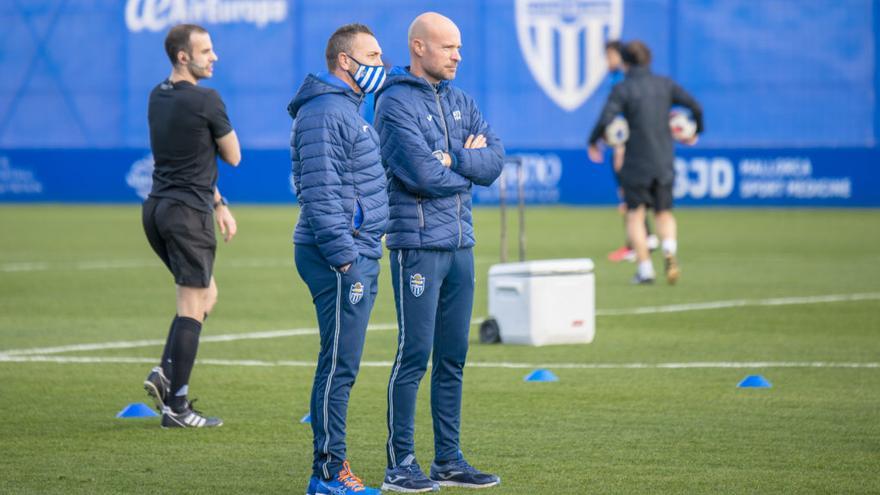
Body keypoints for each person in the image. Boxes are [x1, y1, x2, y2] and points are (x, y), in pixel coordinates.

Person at [374, 12, 504, 493]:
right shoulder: (393, 104)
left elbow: (495, 160)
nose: (457, 56)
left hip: (460, 245)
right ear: (418, 48)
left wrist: (457, 160)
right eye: (448, 47)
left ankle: (447, 460)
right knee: (415, 355)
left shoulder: (460, 99)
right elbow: (422, 175)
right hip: (417, 246)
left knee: (453, 356)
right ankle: (400, 464)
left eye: (460, 47)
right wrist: (461, 166)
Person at [288, 23, 388, 495]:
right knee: (337, 364)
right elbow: (321, 192)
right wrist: (346, 258)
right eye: (372, 54)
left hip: (354, 250)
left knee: (341, 361)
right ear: (345, 62)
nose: (381, 64)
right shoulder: (326, 111)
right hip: (338, 255)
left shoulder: (346, 109)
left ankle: (329, 468)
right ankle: (327, 473)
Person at [141, 23, 240, 428]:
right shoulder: (207, 99)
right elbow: (232, 155)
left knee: (205, 296)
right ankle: (177, 407)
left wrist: (219, 203)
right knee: (191, 304)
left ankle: (165, 373)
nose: (213, 57)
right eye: (206, 50)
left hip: (157, 209)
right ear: (184, 56)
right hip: (186, 214)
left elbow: (192, 159)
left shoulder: (156, 96)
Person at [588, 40, 703, 284]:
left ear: (625, 62)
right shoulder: (665, 84)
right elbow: (695, 106)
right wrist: (695, 131)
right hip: (663, 159)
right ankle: (669, 252)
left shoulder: (623, 89)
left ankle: (645, 270)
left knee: (635, 216)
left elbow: (606, 118)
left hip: (636, 161)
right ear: (648, 60)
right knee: (664, 213)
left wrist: (593, 141)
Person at [602, 40, 659, 263]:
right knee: (627, 191)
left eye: (610, 56)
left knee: (629, 188)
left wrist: (618, 144)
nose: (607, 61)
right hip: (623, 138)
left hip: (627, 140)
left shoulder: (626, 79)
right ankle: (644, 237)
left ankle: (640, 240)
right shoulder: (617, 78)